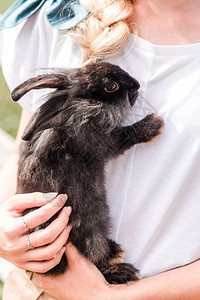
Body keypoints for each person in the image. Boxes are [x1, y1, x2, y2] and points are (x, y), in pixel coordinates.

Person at [1, 0, 200, 299]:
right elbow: (25, 151)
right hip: (40, 290)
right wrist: (6, 229)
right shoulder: (59, 15)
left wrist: (113, 297)